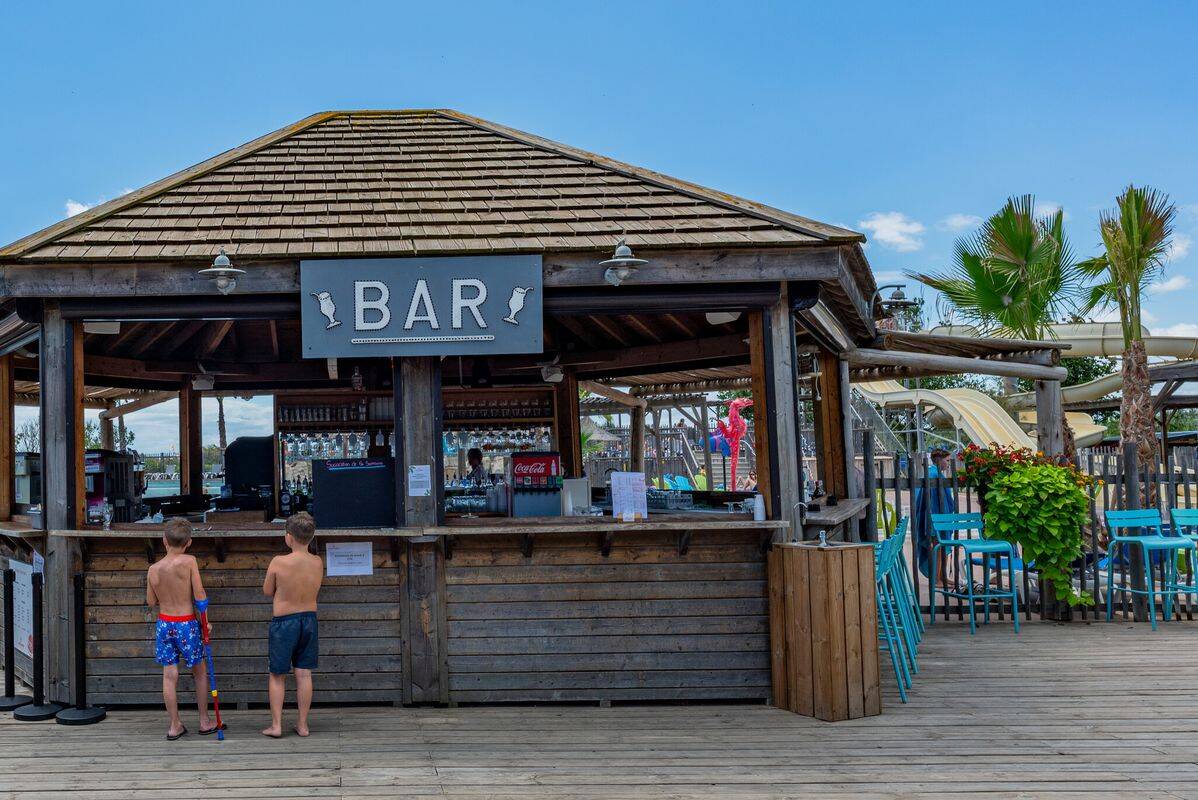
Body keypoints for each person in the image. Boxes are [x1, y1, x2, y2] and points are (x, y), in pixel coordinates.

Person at [146, 517, 219, 740]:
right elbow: (200, 595)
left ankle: (174, 725)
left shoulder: (153, 569)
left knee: (169, 675)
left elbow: (151, 602)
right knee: (199, 672)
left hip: (164, 624)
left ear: (164, 540)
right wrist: (205, 621)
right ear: (189, 542)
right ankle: (204, 721)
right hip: (187, 624)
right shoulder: (189, 562)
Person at [262, 512, 324, 738]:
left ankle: (276, 725)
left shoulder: (278, 562)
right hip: (309, 620)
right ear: (312, 536)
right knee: (304, 673)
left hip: (284, 623)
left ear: (288, 537)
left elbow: (267, 591)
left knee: (277, 674)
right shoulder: (317, 562)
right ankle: (303, 725)